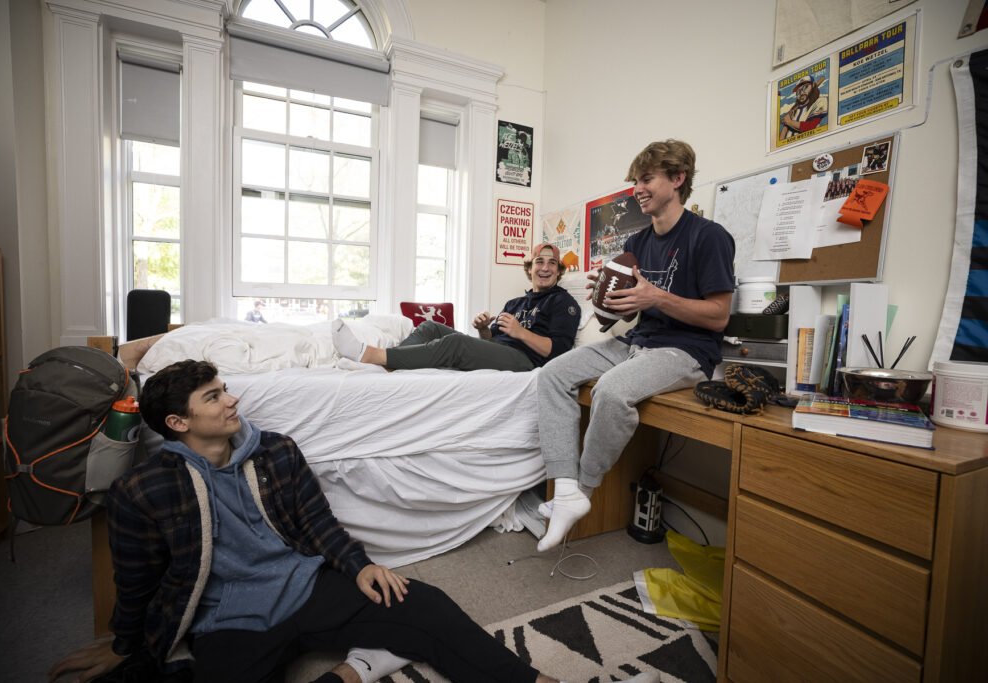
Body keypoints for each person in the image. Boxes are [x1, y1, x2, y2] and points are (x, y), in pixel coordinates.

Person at [51, 359, 651, 683]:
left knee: (429, 606)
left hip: (308, 586)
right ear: (177, 424)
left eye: (225, 388)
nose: (232, 400)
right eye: (213, 397)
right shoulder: (145, 490)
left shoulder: (275, 449)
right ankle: (355, 670)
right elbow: (138, 582)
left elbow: (319, 523)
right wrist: (125, 646)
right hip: (228, 617)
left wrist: (360, 567)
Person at [535, 140, 735, 552]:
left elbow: (718, 315)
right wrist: (603, 297)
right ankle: (565, 488)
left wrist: (656, 297)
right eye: (635, 182)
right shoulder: (639, 243)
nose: (637, 189)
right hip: (638, 342)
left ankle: (583, 492)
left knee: (610, 391)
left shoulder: (709, 237)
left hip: (686, 351)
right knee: (551, 375)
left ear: (678, 179)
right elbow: (621, 317)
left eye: (646, 179)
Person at [331, 243, 580, 372]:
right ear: (529, 268)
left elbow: (558, 351)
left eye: (552, 264)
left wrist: (520, 332)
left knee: (456, 344)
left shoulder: (563, 302)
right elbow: (492, 338)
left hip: (527, 361)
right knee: (430, 327)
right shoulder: (516, 303)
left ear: (559, 271)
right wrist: (484, 329)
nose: (545, 268)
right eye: (539, 262)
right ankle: (388, 365)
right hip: (501, 348)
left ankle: (372, 355)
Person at [778, 74, 828, 140]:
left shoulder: (819, 101)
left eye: (805, 87)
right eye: (798, 91)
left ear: (813, 86)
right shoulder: (794, 109)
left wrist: (789, 122)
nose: (801, 93)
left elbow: (811, 126)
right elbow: (784, 130)